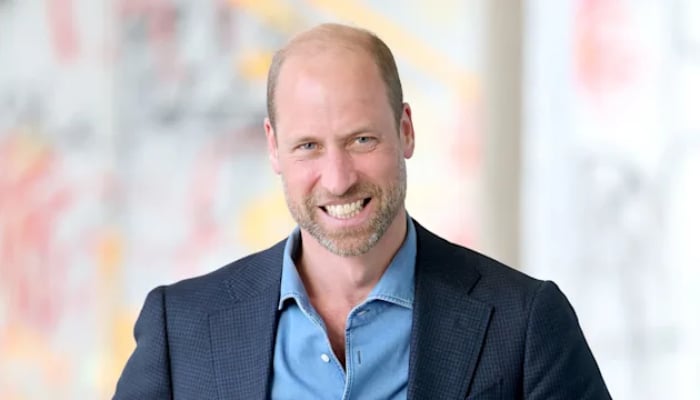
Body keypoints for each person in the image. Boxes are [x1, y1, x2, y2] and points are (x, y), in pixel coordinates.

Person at [114, 23, 611, 399]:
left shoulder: (524, 325)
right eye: (308, 146)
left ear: (406, 130)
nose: (338, 179)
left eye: (362, 139)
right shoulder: (181, 329)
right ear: (273, 148)